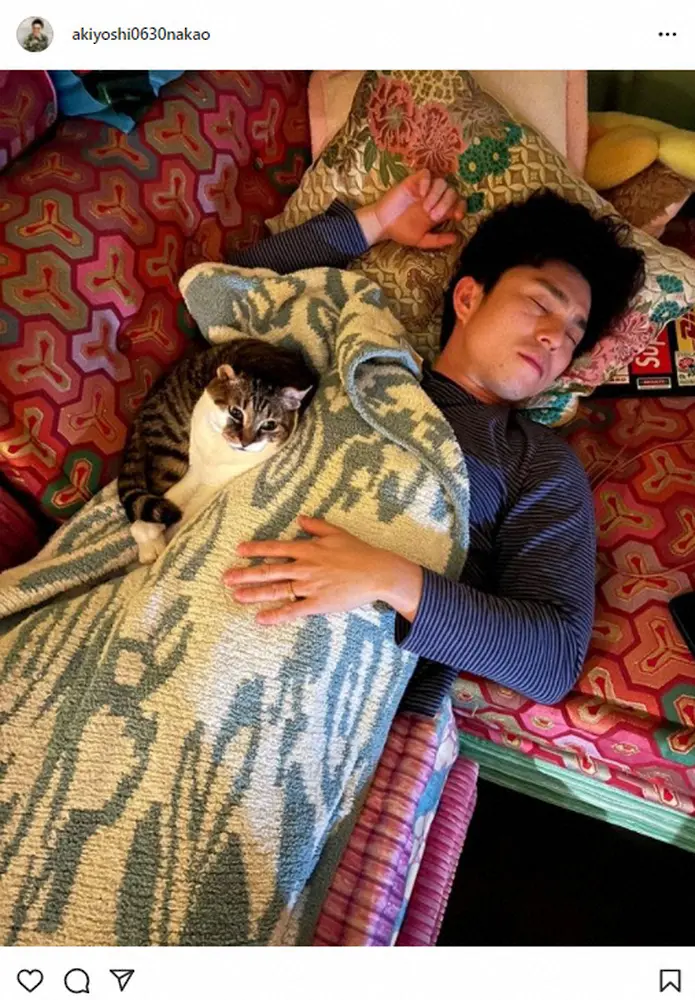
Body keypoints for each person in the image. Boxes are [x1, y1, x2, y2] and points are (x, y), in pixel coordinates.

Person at [221, 170, 646, 713]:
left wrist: (388, 578)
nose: (553, 338)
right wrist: (373, 222)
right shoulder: (358, 356)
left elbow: (552, 661)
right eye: (542, 304)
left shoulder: (537, 463)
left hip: (310, 697)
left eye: (572, 335)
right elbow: (229, 291)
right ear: (468, 297)